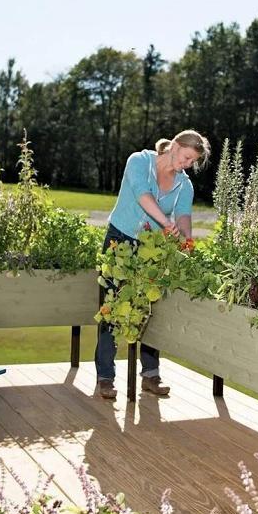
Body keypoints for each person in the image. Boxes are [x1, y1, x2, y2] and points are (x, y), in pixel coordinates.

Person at [95, 130, 211, 400]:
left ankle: (150, 375)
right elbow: (142, 195)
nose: (186, 165)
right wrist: (166, 223)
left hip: (150, 249)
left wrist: (186, 240)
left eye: (191, 162)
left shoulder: (185, 185)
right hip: (119, 239)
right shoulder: (139, 161)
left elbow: (183, 217)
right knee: (110, 306)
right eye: (186, 157)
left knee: (148, 308)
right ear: (175, 145)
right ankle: (105, 377)